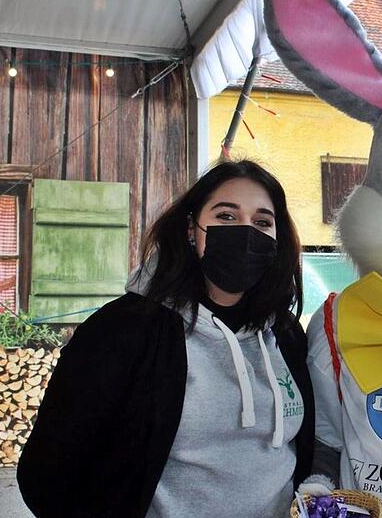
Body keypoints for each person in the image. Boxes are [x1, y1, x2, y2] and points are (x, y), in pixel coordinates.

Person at [17, 160, 314, 517]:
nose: (246, 232)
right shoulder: (123, 330)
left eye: (262, 222)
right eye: (226, 216)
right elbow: (46, 473)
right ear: (191, 229)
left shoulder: (284, 333)